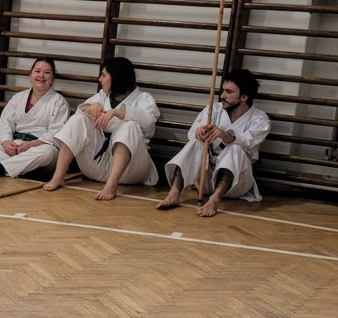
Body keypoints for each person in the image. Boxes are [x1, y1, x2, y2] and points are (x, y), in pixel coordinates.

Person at [42, 56, 160, 200]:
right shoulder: (103, 96)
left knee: (130, 126)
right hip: (97, 167)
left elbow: (148, 119)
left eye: (104, 75)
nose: (100, 79)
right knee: (79, 119)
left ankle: (111, 186)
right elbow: (81, 111)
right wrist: (91, 107)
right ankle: (58, 177)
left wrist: (116, 112)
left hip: (131, 171)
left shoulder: (144, 98)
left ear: (116, 77)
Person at [156, 69, 270, 217]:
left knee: (235, 149)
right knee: (195, 143)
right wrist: (199, 133)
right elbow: (191, 135)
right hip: (205, 180)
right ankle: (174, 194)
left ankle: (214, 201)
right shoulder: (213, 110)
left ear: (244, 96)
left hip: (235, 184)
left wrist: (226, 135)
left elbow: (248, 142)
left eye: (229, 92)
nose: (222, 96)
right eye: (223, 91)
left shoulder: (260, 120)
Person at [0, 57, 70, 178]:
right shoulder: (19, 97)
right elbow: (5, 122)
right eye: (37, 71)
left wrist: (31, 145)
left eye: (47, 72)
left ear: (52, 79)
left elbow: (55, 134)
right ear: (30, 75)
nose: (41, 75)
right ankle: (29, 171)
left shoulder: (59, 102)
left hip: (41, 146)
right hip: (16, 144)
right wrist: (7, 142)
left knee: (47, 154)